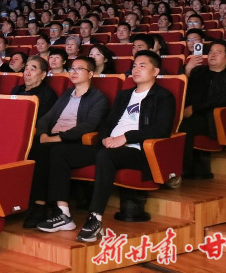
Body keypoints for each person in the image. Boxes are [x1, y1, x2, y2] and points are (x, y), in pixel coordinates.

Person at [36, 51, 175, 243]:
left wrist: (125, 137)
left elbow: (162, 129)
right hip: (110, 146)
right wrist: (103, 138)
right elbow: (107, 123)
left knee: (105, 157)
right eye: (134, 65)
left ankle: (95, 218)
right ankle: (63, 213)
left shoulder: (163, 96)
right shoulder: (125, 95)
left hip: (138, 150)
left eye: (142, 65)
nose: (136, 69)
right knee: (60, 152)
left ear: (155, 71)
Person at [23, 57, 109, 228]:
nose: (74, 72)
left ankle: (51, 208)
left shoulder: (98, 98)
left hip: (77, 143)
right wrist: (43, 133)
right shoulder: (66, 94)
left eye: (79, 69)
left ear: (90, 74)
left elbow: (88, 125)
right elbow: (46, 118)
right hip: (52, 139)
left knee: (50, 152)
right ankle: (39, 203)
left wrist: (58, 137)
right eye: (72, 69)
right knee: (33, 149)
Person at [179, 40, 226, 178]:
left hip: (210, 118)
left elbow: (224, 100)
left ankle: (184, 168)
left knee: (183, 127)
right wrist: (188, 70)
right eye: (211, 52)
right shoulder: (199, 71)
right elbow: (182, 90)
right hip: (187, 112)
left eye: (218, 52)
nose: (212, 55)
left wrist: (194, 108)